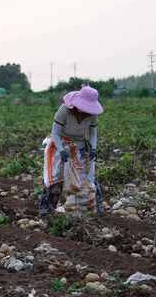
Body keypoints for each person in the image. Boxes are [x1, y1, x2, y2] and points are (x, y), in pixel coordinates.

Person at [40, 85, 104, 215]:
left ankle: (90, 208)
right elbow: (55, 133)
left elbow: (92, 134)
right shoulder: (64, 110)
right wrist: (61, 150)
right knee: (56, 177)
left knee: (85, 179)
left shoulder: (92, 115)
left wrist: (93, 148)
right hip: (60, 144)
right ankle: (46, 208)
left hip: (79, 146)